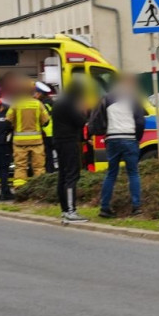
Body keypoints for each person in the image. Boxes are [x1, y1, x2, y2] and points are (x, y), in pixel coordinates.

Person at [90, 73, 146, 218]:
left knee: (111, 173)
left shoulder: (107, 98)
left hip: (112, 139)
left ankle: (104, 207)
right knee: (133, 173)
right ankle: (136, 207)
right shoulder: (134, 99)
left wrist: (105, 133)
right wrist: (137, 138)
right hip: (129, 138)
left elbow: (98, 119)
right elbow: (140, 121)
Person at [53, 81, 89, 223]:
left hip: (59, 141)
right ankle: (71, 211)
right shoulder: (70, 103)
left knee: (62, 175)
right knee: (71, 176)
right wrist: (83, 110)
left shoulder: (59, 102)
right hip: (69, 141)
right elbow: (80, 122)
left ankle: (64, 210)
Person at [5, 78, 50, 181]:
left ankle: (20, 190)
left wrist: (15, 126)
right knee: (39, 168)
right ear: (32, 91)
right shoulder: (38, 104)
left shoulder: (16, 104)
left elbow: (7, 121)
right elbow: (46, 121)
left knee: (20, 167)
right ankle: (39, 191)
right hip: (37, 142)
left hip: (20, 142)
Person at [36, 82, 56, 173]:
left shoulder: (42, 104)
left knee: (47, 156)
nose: (35, 95)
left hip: (46, 133)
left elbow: (42, 119)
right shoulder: (52, 102)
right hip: (54, 132)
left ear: (40, 93)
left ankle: (49, 174)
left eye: (36, 93)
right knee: (52, 156)